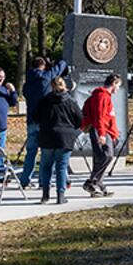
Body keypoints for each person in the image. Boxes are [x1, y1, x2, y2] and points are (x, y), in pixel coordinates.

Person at [18, 57, 65, 187]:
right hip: (44, 120)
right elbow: (62, 64)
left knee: (31, 152)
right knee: (46, 152)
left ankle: (25, 180)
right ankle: (43, 181)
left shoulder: (28, 82)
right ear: (43, 66)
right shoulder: (46, 77)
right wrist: (53, 64)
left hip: (31, 120)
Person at [34, 76, 82, 204]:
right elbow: (80, 120)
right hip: (65, 137)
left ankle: (45, 195)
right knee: (61, 167)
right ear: (65, 86)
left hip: (47, 135)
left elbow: (35, 117)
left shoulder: (44, 101)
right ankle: (60, 195)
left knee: (46, 166)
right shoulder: (70, 102)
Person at [79, 74, 122, 197]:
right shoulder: (102, 96)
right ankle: (92, 182)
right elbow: (100, 117)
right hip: (102, 130)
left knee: (100, 158)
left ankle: (98, 185)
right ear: (113, 84)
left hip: (107, 131)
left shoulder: (103, 96)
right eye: (118, 86)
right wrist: (102, 134)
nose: (118, 89)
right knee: (107, 156)